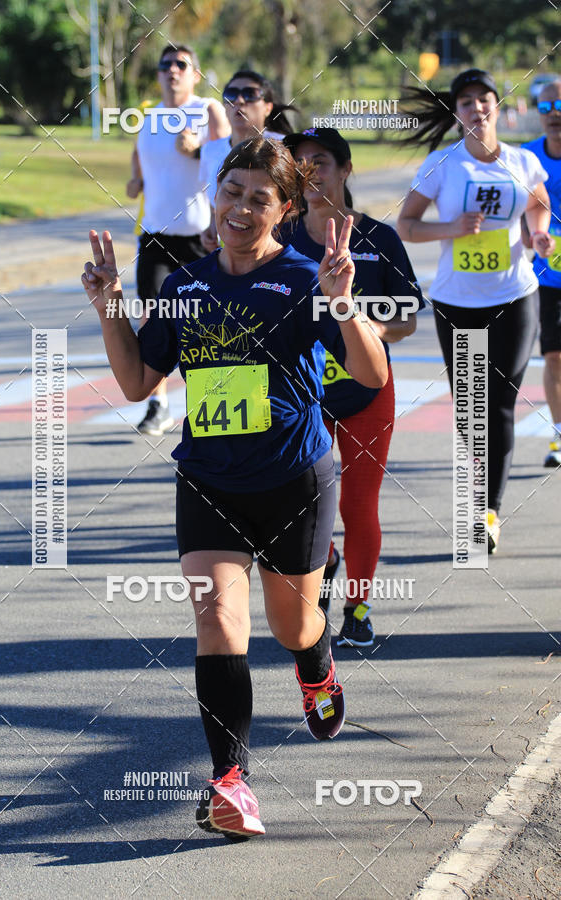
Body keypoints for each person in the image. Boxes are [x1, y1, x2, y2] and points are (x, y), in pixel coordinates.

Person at [82, 137, 387, 840]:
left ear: (283, 210)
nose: (240, 208)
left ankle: (316, 665)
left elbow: (370, 376)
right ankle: (230, 783)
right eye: (231, 191)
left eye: (259, 197)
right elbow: (137, 384)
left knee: (291, 626)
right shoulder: (183, 287)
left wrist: (344, 305)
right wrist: (111, 307)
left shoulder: (308, 279)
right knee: (219, 620)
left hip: (294, 480)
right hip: (209, 481)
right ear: (214, 196)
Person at [397, 69, 555, 554]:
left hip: (514, 295)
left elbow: (539, 202)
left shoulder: (522, 161)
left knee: (501, 404)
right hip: (458, 303)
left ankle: (487, 511)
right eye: (465, 102)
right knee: (470, 410)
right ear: (457, 112)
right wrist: (452, 228)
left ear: (496, 105)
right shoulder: (443, 165)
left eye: (483, 100)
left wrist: (538, 233)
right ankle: (474, 498)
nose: (476, 109)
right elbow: (406, 225)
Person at [283, 127, 424, 647]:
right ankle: (328, 557)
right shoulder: (281, 237)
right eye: (299, 163)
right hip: (301, 397)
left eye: (320, 160)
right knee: (302, 502)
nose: (310, 171)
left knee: (358, 506)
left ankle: (358, 607)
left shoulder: (379, 239)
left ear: (345, 169)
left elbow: (407, 317)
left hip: (367, 392)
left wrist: (361, 331)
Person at [128, 43, 229, 436]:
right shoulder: (148, 117)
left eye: (182, 64)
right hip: (154, 235)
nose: (173, 70)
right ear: (158, 74)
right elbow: (141, 158)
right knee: (152, 317)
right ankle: (159, 404)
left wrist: (197, 150)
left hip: (198, 238)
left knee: (204, 323)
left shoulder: (208, 110)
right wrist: (135, 180)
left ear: (196, 75)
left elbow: (227, 162)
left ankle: (212, 402)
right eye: (166, 64)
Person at [200, 69, 295, 253]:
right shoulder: (210, 150)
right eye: (231, 94)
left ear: (268, 107)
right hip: (227, 255)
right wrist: (212, 226)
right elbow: (215, 201)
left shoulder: (286, 147)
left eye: (250, 95)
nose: (239, 101)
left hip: (272, 255)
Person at [522, 81, 561, 467]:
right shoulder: (528, 157)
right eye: (547, 104)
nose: (554, 111)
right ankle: (559, 433)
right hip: (545, 277)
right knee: (554, 357)